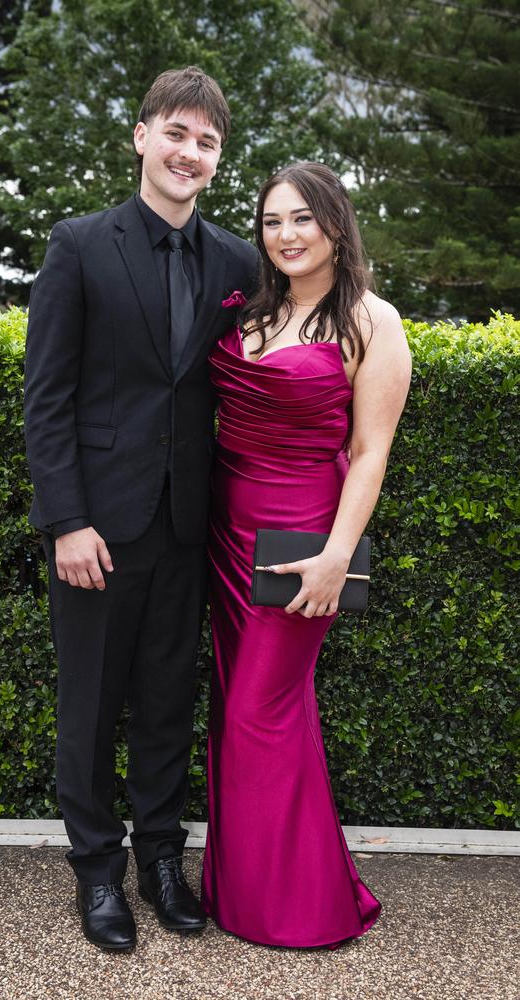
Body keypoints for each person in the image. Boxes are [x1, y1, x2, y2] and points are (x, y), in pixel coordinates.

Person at [23, 66, 259, 952]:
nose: (189, 153)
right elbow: (47, 398)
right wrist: (65, 520)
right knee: (88, 706)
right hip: (98, 529)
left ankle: (163, 860)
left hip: (191, 527)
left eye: (207, 142)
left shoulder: (237, 260)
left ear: (217, 158)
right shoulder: (79, 244)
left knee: (168, 701)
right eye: (177, 133)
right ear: (141, 135)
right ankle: (97, 874)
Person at [201, 162, 411, 949]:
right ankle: (243, 893)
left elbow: (369, 452)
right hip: (223, 533)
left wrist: (336, 557)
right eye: (271, 222)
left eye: (303, 219)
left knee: (262, 709)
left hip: (300, 542)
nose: (286, 235)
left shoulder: (371, 321)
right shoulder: (249, 310)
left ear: (336, 225)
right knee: (238, 706)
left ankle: (295, 907)